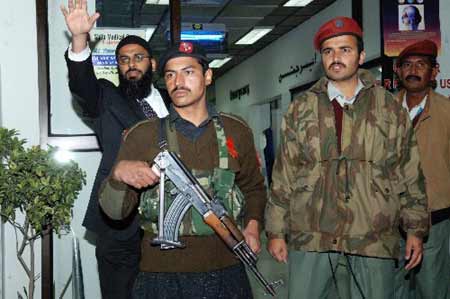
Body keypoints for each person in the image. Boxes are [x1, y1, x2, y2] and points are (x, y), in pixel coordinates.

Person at [264, 16, 429, 298]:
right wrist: (276, 230)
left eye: (345, 50)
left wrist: (415, 228)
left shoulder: (389, 108)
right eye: (328, 51)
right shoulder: (301, 108)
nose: (336, 57)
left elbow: (408, 170)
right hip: (312, 235)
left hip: (373, 238)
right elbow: (285, 172)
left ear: (361, 56)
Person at [98, 41, 267, 298]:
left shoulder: (236, 131)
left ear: (207, 76)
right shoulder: (142, 135)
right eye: (170, 74)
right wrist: (118, 175)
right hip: (160, 275)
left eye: (188, 72)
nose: (178, 81)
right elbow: (115, 212)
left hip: (227, 269)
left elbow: (254, 187)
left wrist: (253, 226)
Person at [61, 0, 170, 298]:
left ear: (153, 63)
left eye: (139, 57)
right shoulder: (107, 98)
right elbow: (83, 85)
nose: (131, 64)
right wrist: (80, 39)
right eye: (124, 60)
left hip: (171, 223)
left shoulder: (176, 102)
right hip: (121, 222)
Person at [394, 39, 450, 299]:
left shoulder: (447, 112)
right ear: (398, 71)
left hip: (435, 221)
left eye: (421, 64)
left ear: (434, 72)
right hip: (390, 223)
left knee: (433, 289)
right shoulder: (383, 113)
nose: (413, 70)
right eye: (406, 64)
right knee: (393, 291)